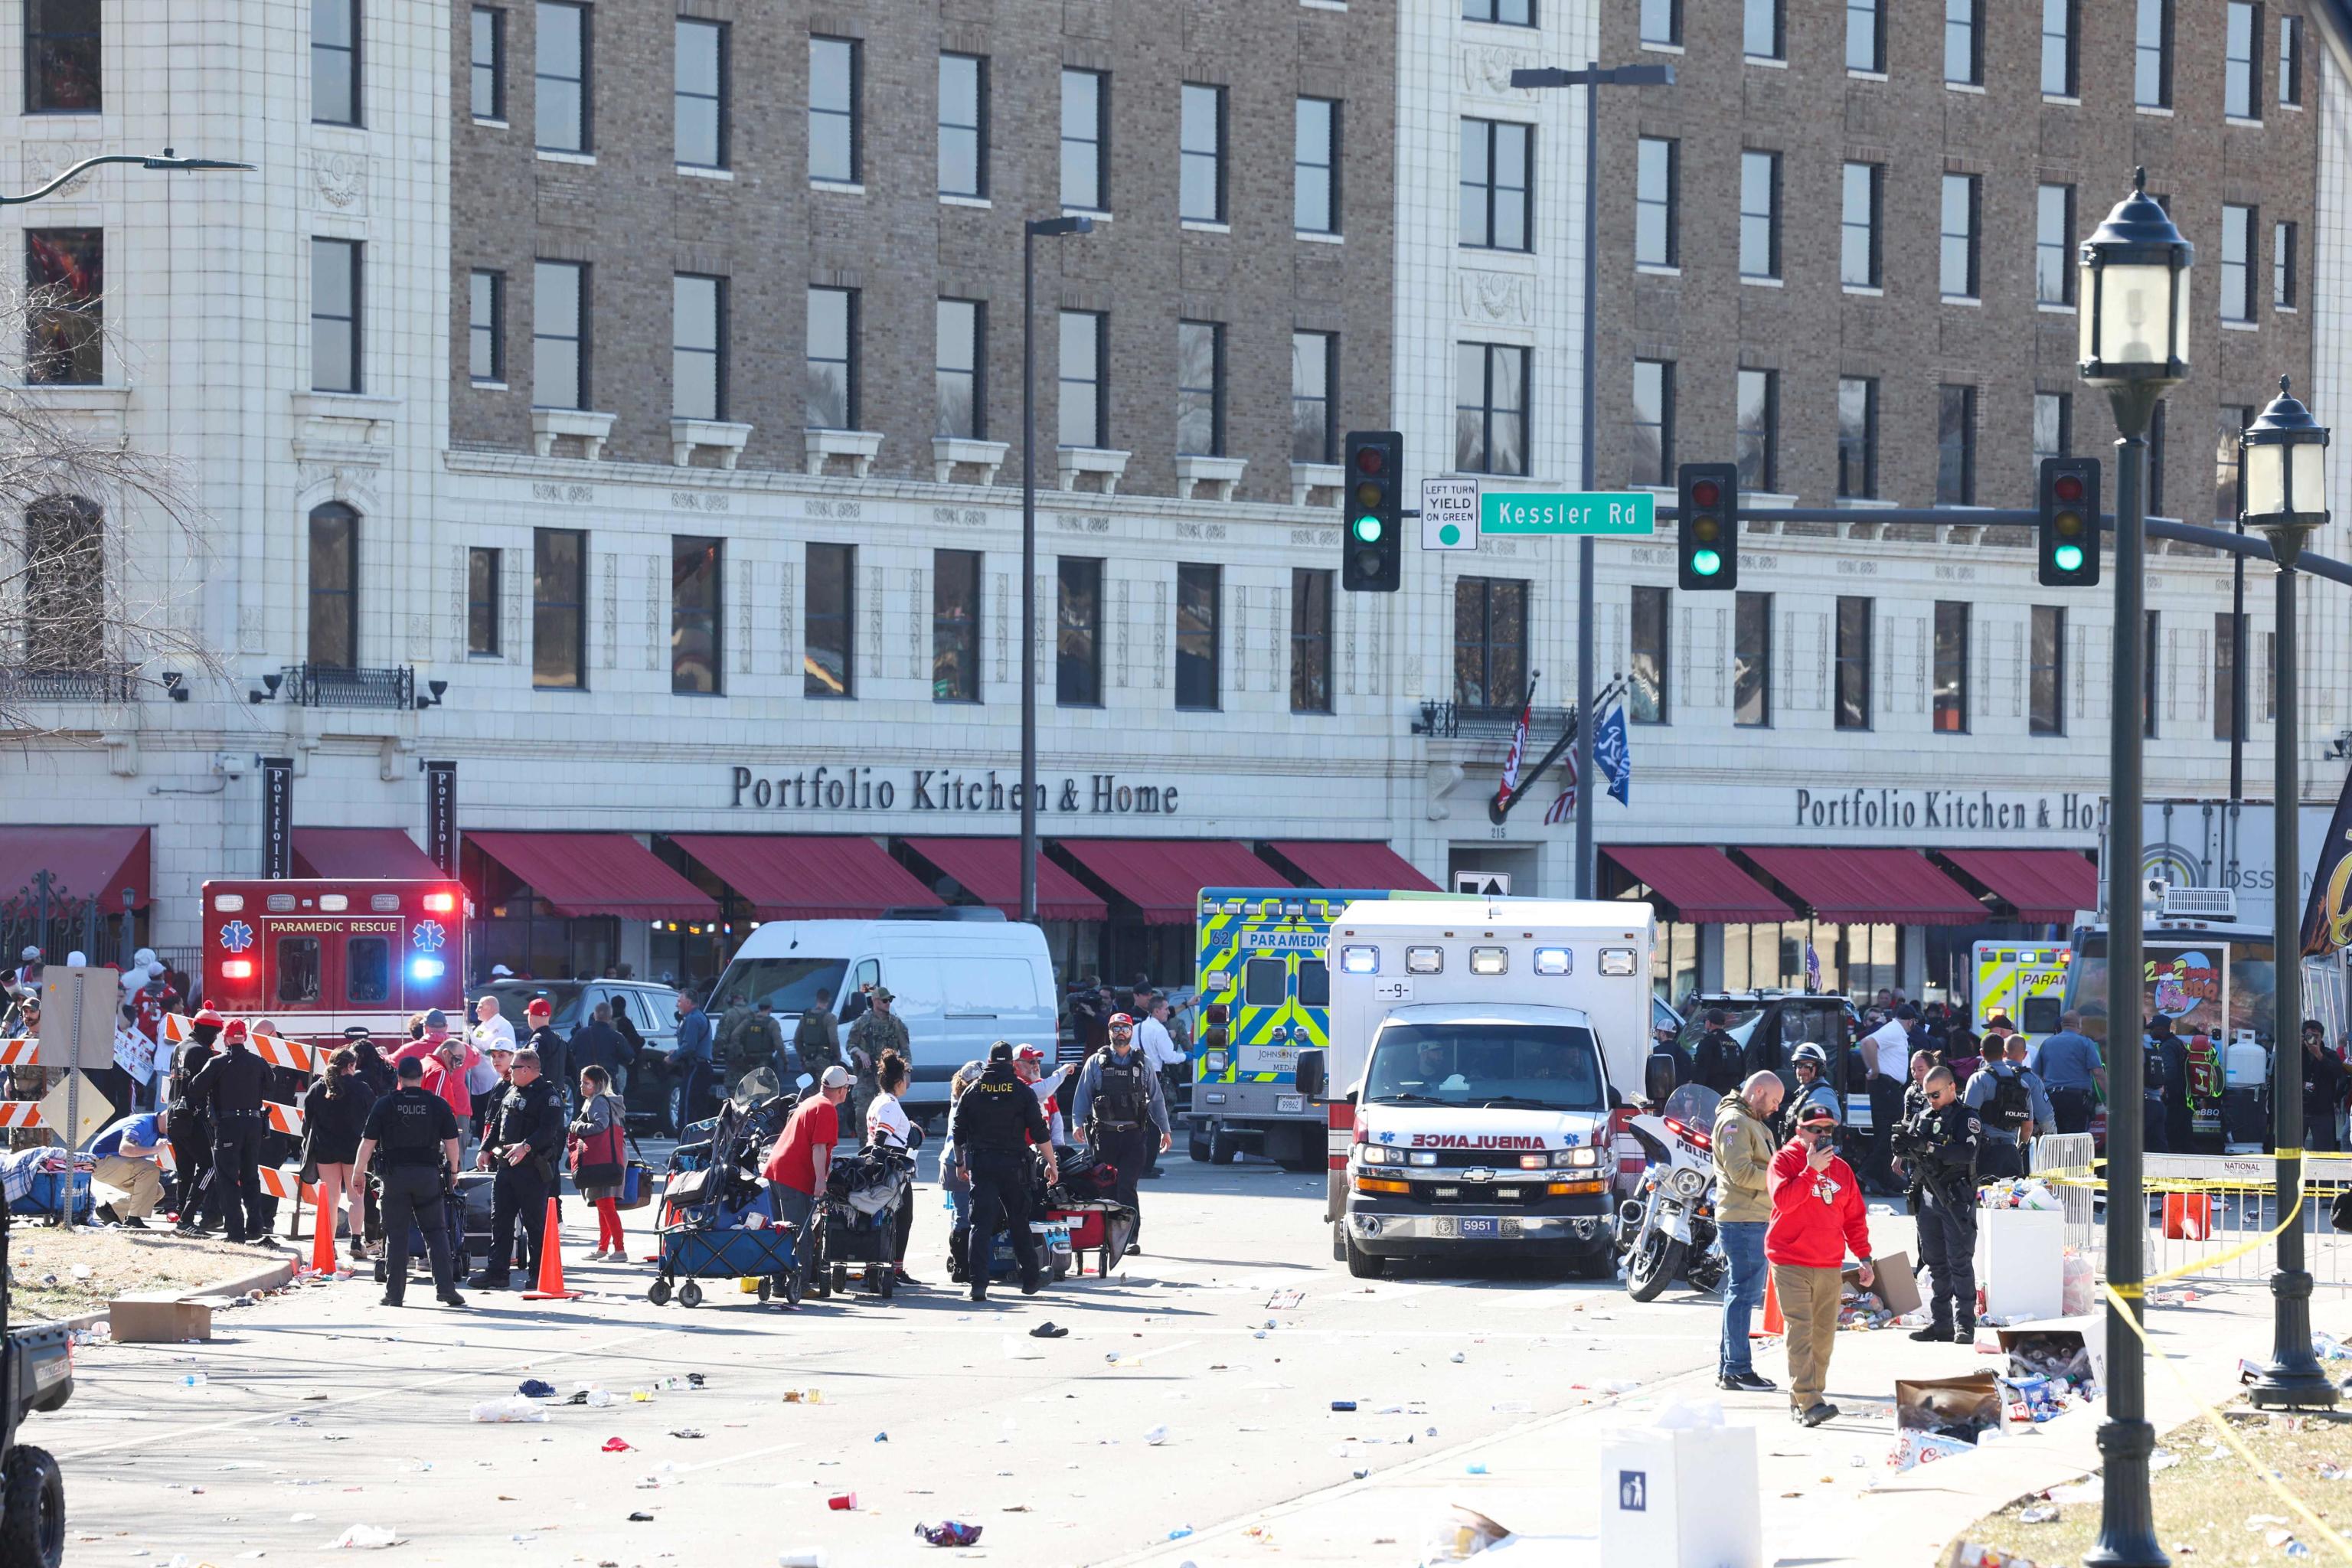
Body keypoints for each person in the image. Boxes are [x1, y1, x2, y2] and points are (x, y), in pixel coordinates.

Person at [1766, 1102, 1874, 1427]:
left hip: (1829, 1261)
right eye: (1816, 1129)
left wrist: (1865, 1257)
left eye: (1828, 1129)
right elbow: (1783, 1201)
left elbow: (1854, 1218)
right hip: (1790, 1259)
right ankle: (1811, 1401)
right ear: (1799, 1131)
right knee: (1801, 1330)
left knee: (1823, 1336)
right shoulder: (1784, 1161)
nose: (1823, 1135)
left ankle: (1803, 1397)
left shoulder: (1841, 1169)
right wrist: (1810, 1169)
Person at [353, 1056, 466, 1308]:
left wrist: (359, 1172)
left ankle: (394, 1294)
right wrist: (454, 1173)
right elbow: (451, 1142)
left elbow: (368, 1142)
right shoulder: (438, 1104)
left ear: (400, 1079)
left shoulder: (385, 1105)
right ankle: (446, 1290)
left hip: (394, 1177)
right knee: (436, 1233)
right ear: (422, 1078)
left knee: (396, 1234)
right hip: (427, 1176)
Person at [949, 1042, 1056, 1303]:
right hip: (1014, 1167)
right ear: (1010, 1063)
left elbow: (958, 1131)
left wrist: (961, 1163)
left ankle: (978, 1285)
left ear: (988, 1061)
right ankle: (1031, 1279)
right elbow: (1040, 1132)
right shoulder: (1021, 1091)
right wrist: (1052, 1164)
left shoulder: (972, 1091)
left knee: (980, 1225)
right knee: (1019, 1221)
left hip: (983, 1166)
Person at [1070, 1013, 1172, 1252]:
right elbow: (1083, 1096)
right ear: (1109, 1032)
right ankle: (1104, 1238)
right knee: (1105, 1188)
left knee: (1127, 1187)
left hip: (1133, 1136)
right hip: (1104, 1136)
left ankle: (1128, 1239)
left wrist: (1165, 1131)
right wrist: (1076, 1123)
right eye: (1115, 1028)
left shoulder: (1142, 1063)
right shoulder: (1096, 1062)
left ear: (1131, 1031)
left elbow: (1156, 1101)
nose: (1120, 1033)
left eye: (1124, 1028)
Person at [1712, 1070, 1785, 1394]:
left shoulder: (1749, 1120)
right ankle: (1738, 1369)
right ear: (1757, 1091)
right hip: (1744, 1221)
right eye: (1774, 1100)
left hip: (1750, 1217)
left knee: (1739, 1294)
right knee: (1743, 1296)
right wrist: (1781, 1179)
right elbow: (1740, 1172)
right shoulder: (1736, 1122)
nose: (1776, 1108)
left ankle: (1730, 1368)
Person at [1896, 1066, 1981, 1343]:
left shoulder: (1966, 1117)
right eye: (1927, 1095)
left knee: (1959, 1260)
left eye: (1935, 1094)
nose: (1931, 1100)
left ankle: (1965, 1324)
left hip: (1955, 1196)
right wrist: (1902, 1146)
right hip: (1928, 1196)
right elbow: (1911, 1146)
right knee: (1935, 1263)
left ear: (1952, 1088)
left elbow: (1965, 1152)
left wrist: (1928, 1147)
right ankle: (1941, 1323)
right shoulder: (1923, 1116)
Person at [475, 1047, 564, 1289]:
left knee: (534, 1224)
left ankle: (538, 1274)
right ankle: (497, 1273)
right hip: (506, 1167)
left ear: (526, 1069)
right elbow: (497, 1124)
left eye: (514, 1067)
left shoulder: (548, 1096)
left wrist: (526, 1146)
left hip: (532, 1170)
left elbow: (548, 1130)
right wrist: (485, 1149)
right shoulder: (511, 1090)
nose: (509, 1071)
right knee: (500, 1221)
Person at [185, 1018, 274, 1246]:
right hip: (254, 1124)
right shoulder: (259, 1062)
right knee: (250, 1176)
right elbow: (272, 1084)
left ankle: (236, 1232)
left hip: (228, 1126)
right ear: (244, 1037)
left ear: (225, 1038)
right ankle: (255, 1227)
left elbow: (195, 1088)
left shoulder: (218, 1062)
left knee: (227, 1178)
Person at [300, 1047, 377, 1262]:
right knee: (356, 1197)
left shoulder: (317, 1088)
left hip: (326, 1149)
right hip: (355, 1150)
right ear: (351, 1066)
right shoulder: (362, 1089)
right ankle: (355, 1241)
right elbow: (373, 1120)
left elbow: (307, 1122)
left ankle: (329, 1244)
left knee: (330, 1200)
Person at [763, 1063, 851, 1240]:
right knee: (800, 1238)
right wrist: (820, 1181)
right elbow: (819, 1147)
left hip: (776, 1172)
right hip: (792, 1177)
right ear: (842, 1091)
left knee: (781, 1236)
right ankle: (804, 1269)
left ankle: (785, 1268)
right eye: (848, 1088)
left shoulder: (811, 1101)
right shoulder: (826, 1108)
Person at [864, 1050, 920, 1286]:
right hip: (891, 1169)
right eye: (905, 1078)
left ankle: (879, 1268)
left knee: (884, 1219)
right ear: (899, 1081)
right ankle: (890, 1270)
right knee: (900, 1219)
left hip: (885, 1167)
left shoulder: (881, 1101)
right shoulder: (890, 1104)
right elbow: (881, 1137)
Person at [167, 1005, 224, 1230]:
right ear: (209, 1031)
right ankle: (189, 1216)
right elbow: (203, 1087)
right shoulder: (202, 1051)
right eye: (215, 1033)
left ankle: (182, 1216)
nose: (216, 1038)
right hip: (193, 1117)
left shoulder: (180, 1047)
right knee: (209, 1166)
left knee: (185, 1170)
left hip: (174, 1115)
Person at [570, 1064, 631, 1260]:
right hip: (611, 1156)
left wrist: (577, 1126)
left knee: (606, 1204)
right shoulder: (603, 1101)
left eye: (585, 1083)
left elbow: (600, 1125)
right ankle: (603, 1248)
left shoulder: (598, 1102)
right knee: (603, 1204)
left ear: (597, 1085)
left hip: (603, 1158)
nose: (581, 1086)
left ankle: (619, 1249)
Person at [1963, 1037, 2040, 1181]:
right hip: (2012, 1154)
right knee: (2011, 1200)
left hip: (1985, 1154)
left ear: (1982, 1052)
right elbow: (2027, 1127)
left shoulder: (1979, 1079)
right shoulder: (2022, 1083)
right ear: (2004, 1053)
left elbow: (1969, 1118)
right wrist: (2017, 1150)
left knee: (1983, 1200)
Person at [1858, 1006, 1913, 1192]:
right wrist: (1873, 1070)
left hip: (1887, 1087)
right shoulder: (1894, 1029)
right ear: (1911, 1021)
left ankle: (1885, 1179)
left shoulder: (1894, 1031)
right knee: (1893, 1132)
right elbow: (1867, 1043)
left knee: (1886, 1134)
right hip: (1886, 1087)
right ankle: (1868, 1171)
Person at [90, 1108, 170, 1227]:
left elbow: (163, 1165)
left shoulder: (163, 1133)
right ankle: (134, 1219)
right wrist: (155, 1150)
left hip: (115, 1164)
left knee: (157, 1191)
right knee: (150, 1170)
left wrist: (166, 1163)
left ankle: (112, 1210)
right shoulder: (142, 1123)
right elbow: (125, 1149)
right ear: (167, 1117)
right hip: (100, 1162)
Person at [1135, 995, 1187, 1179]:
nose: (1168, 1012)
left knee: (1139, 1125)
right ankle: (1147, 1167)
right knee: (1154, 1125)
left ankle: (1140, 1165)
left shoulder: (1137, 1028)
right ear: (1156, 1011)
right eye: (1165, 1009)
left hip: (1134, 1078)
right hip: (1153, 1078)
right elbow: (1169, 1057)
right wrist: (1186, 1056)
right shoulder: (1159, 1031)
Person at [845, 988, 908, 1138]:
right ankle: (864, 1147)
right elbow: (850, 1046)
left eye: (890, 1000)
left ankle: (885, 1146)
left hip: (888, 1076)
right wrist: (861, 1053)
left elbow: (905, 1049)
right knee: (862, 1113)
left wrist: (907, 1071)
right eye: (885, 1000)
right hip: (866, 1074)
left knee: (888, 1110)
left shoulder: (896, 1024)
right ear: (875, 1001)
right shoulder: (861, 1023)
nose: (888, 1003)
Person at [939, 1060, 982, 1276]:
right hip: (960, 1162)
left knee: (959, 1214)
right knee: (965, 1216)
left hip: (951, 1161)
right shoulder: (968, 1103)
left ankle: (959, 1263)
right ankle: (962, 1267)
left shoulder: (958, 1097)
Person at [2034, 1011, 2105, 1134]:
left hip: (2053, 1098)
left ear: (2062, 1025)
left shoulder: (2047, 1043)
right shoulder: (2086, 1043)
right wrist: (2110, 1097)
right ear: (2079, 1025)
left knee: (2056, 1137)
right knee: (2076, 1137)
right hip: (2077, 1099)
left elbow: (2036, 1074)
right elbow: (2098, 1073)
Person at [2301, 1021, 2347, 1154]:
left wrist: (2319, 1055)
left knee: (2324, 1152)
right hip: (2299, 1110)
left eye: (2316, 1036)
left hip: (2322, 1110)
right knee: (2292, 1150)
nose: (2312, 1040)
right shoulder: (2297, 1053)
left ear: (2321, 1037)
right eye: (2309, 1036)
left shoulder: (2329, 1054)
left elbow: (2338, 1073)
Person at [1014, 1046, 1073, 1145]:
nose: (1036, 1065)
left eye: (1038, 1062)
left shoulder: (1043, 1084)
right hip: (1024, 1150)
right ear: (1016, 1065)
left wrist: (1058, 1146)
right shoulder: (1016, 1084)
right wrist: (1062, 1072)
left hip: (1045, 1149)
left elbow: (1056, 1118)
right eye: (1032, 1062)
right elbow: (1039, 1091)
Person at [672, 992, 715, 1125]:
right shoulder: (699, 1016)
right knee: (699, 1107)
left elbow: (689, 1046)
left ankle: (686, 1139)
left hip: (696, 1067)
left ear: (689, 1003)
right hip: (701, 1066)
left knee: (688, 1107)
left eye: (680, 1001)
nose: (677, 1004)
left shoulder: (692, 1018)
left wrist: (673, 1057)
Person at [1782, 1043, 1840, 1138]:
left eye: (1808, 1065)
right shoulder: (1806, 1090)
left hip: (1814, 1152)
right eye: (1799, 1065)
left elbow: (1833, 1121)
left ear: (1820, 1069)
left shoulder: (1823, 1093)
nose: (1803, 1070)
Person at [1690, 1009, 1745, 1096]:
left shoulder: (1707, 1043)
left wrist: (1695, 1094)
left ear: (1708, 1023)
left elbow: (1700, 1071)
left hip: (1712, 1096)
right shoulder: (1735, 1044)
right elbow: (1742, 1073)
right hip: (1732, 1096)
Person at [792, 997, 840, 1086]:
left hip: (808, 1058)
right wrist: (837, 1056)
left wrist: (802, 1057)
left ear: (816, 1000)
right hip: (824, 1059)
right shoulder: (830, 1017)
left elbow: (797, 1040)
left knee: (809, 1088)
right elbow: (834, 1040)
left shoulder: (805, 1017)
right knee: (824, 1088)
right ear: (827, 1002)